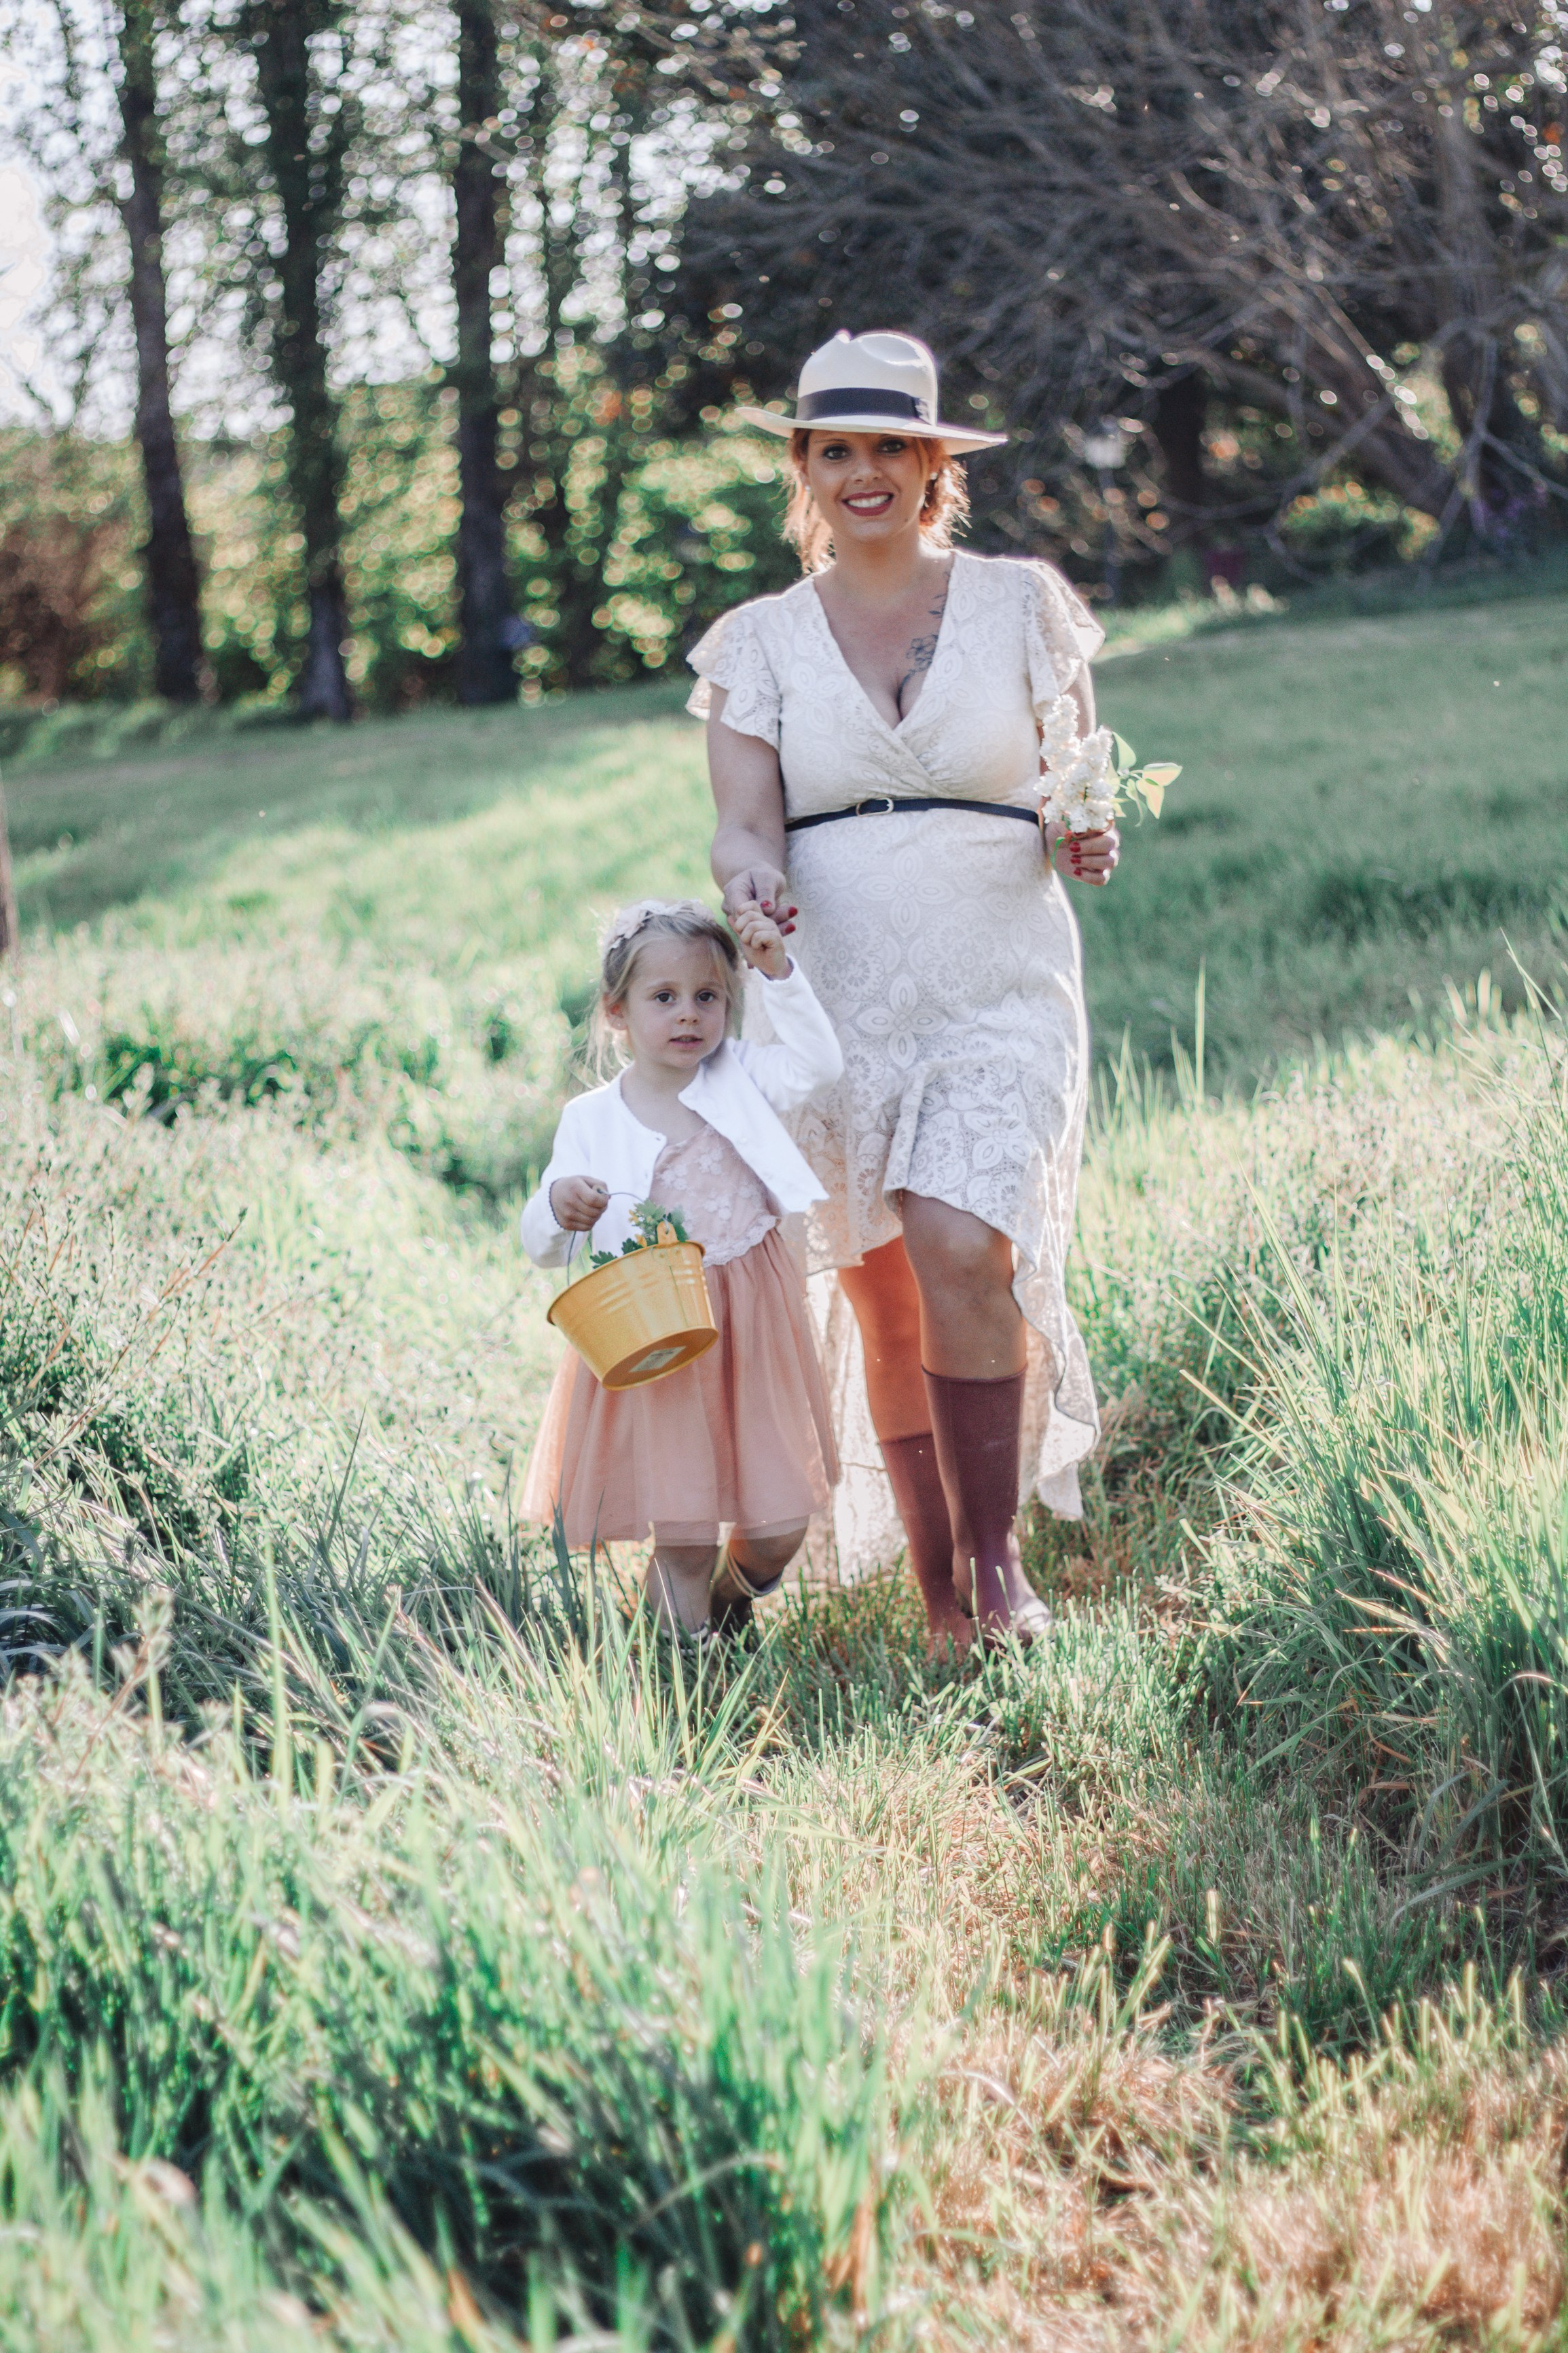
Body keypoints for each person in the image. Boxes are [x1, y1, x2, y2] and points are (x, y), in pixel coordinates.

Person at [687, 329, 1121, 1653]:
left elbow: (1077, 775)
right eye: (835, 450)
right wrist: (750, 892)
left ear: (932, 463)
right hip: (837, 996)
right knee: (882, 1295)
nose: (862, 471)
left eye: (890, 446)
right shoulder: (754, 642)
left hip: (999, 977)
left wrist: (1085, 827)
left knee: (958, 1243)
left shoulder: (1023, 604)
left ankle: (996, 1574)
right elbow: (742, 826)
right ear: (803, 469)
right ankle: (936, 1599)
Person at [519, 898, 843, 1638]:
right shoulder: (591, 1119)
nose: (688, 1015)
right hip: (658, 1336)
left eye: (707, 997)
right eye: (662, 998)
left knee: (779, 1525)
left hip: (751, 1321)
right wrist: (556, 1205)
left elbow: (820, 1065)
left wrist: (777, 973)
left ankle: (733, 1600)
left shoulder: (741, 1075)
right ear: (616, 1012)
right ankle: (683, 1679)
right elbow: (541, 1243)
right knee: (686, 1532)